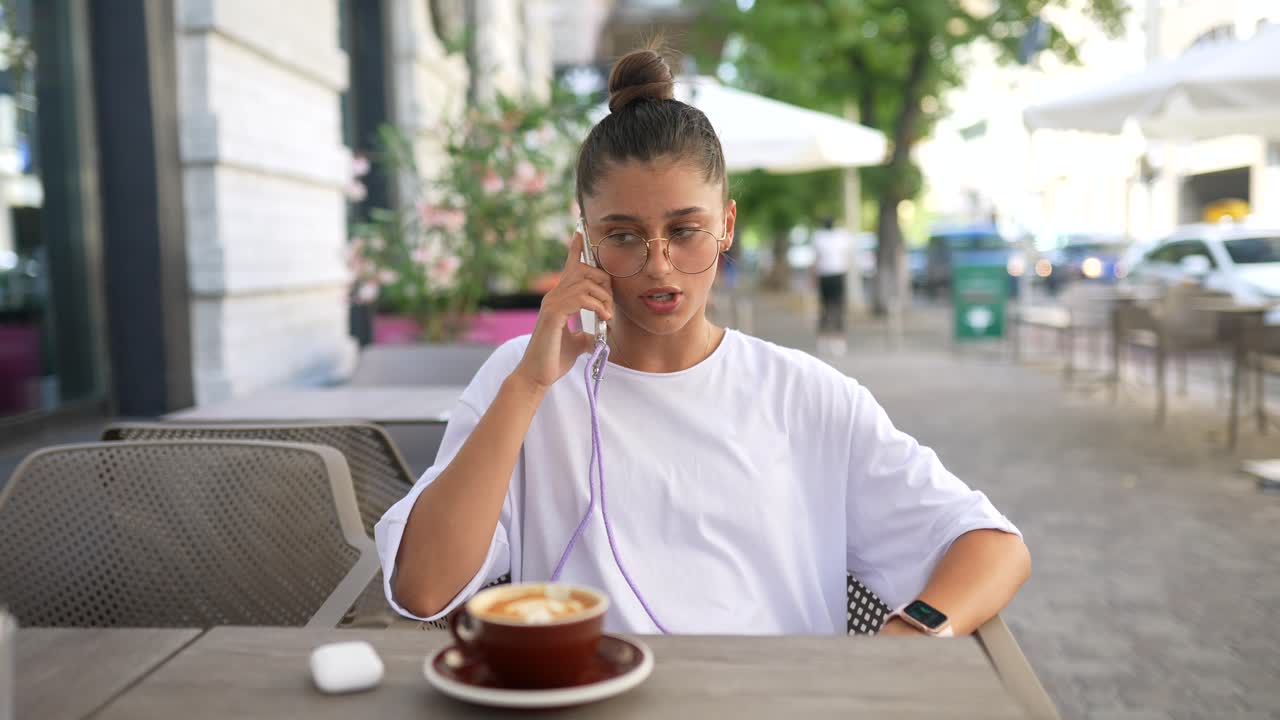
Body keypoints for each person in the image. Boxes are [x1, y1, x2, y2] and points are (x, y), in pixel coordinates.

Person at [376, 43, 1029, 636]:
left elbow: (992, 545)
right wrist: (527, 388)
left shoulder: (807, 395)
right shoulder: (522, 380)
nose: (658, 266)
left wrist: (912, 634)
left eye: (685, 230)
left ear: (727, 226)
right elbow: (425, 588)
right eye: (624, 236)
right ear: (584, 242)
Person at [811, 217, 853, 356]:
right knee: (829, 308)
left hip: (833, 275)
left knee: (834, 308)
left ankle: (835, 340)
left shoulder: (827, 237)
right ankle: (826, 339)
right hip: (831, 275)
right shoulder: (834, 237)